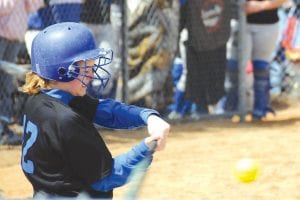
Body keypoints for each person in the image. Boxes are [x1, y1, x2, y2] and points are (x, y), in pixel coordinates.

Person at [21, 22, 170, 199]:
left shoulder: (40, 99)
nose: (91, 75)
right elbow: (107, 177)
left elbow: (105, 110)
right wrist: (146, 149)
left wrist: (147, 117)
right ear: (64, 71)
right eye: (87, 69)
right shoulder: (65, 120)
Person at [225, 0, 287, 120]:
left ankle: (259, 110)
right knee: (234, 66)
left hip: (267, 24)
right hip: (239, 21)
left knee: (261, 67)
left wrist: (259, 6)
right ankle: (229, 110)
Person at [0, 0, 44, 145]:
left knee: (6, 86)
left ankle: (3, 128)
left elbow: (35, 6)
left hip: (15, 38)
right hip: (1, 37)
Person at [180, 0, 232, 119]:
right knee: (194, 78)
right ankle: (195, 110)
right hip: (195, 42)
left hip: (218, 42)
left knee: (217, 77)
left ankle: (215, 109)